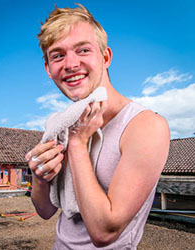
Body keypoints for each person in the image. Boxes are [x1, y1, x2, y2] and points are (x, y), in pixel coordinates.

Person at [26, 4, 170, 249]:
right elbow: (46, 211)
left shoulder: (145, 126)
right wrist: (39, 178)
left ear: (105, 57)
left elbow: (105, 232)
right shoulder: (60, 123)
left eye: (83, 50)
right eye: (58, 55)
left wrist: (78, 143)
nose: (70, 64)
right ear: (48, 69)